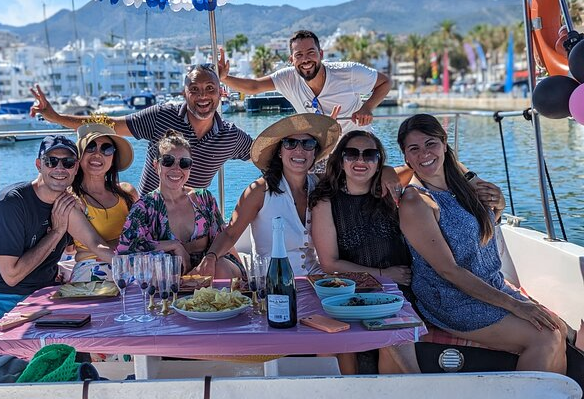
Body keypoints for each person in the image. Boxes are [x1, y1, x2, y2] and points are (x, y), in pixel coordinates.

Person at [397, 114, 567, 373]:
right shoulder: (416, 202)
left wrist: (499, 206)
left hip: (490, 284)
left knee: (559, 329)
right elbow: (448, 271)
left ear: (444, 145)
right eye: (414, 149)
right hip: (451, 299)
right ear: (406, 157)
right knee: (544, 337)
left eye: (430, 144)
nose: (424, 154)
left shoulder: (462, 186)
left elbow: (480, 230)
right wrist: (515, 305)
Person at [0, 135, 107, 355]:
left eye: (67, 163)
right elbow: (12, 276)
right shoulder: (10, 203)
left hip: (41, 297)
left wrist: (137, 266)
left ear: (76, 169)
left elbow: (96, 245)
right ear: (39, 164)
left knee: (77, 358)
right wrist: (56, 232)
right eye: (51, 161)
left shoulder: (66, 205)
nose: (60, 168)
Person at [30, 64, 252, 194]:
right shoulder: (161, 116)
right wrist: (55, 116)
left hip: (192, 219)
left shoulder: (229, 136)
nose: (203, 95)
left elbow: (263, 153)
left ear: (220, 93)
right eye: (194, 89)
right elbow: (110, 125)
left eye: (210, 88)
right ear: (184, 94)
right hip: (148, 218)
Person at [309, 130, 419, 374]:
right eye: (352, 154)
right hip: (356, 289)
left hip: (401, 286)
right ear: (341, 159)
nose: (361, 160)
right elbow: (329, 263)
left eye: (370, 155)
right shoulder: (326, 201)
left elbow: (420, 166)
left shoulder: (390, 192)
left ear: (379, 160)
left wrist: (388, 171)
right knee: (383, 332)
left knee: (394, 327)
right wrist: (383, 273)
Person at [194, 113, 340, 279]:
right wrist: (211, 256)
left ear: (314, 153)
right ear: (279, 151)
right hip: (271, 280)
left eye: (308, 144)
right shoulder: (260, 190)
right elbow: (230, 232)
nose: (299, 150)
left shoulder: (320, 185)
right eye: (290, 143)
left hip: (316, 278)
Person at [117, 130, 244, 278]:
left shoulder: (204, 199)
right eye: (168, 161)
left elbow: (222, 236)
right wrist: (172, 245)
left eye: (184, 163)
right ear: (156, 165)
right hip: (170, 278)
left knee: (219, 266)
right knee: (166, 269)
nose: (176, 169)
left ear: (190, 167)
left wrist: (244, 275)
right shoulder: (144, 208)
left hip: (210, 270)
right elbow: (125, 252)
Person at [218, 30, 392, 135]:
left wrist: (367, 107)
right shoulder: (288, 78)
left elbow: (385, 83)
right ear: (291, 60)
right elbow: (254, 87)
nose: (305, 60)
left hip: (357, 147)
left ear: (321, 54)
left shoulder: (349, 71)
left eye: (311, 52)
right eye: (299, 55)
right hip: (321, 150)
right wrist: (225, 78)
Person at [67, 122, 139, 282]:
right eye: (90, 147)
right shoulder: (73, 199)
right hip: (92, 268)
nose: (98, 154)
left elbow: (143, 234)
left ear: (113, 158)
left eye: (106, 149)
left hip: (130, 263)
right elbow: (96, 245)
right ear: (79, 155)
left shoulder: (128, 193)